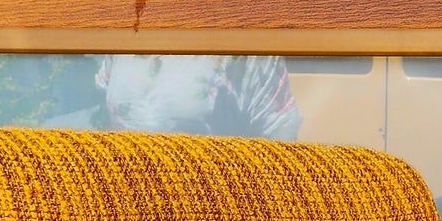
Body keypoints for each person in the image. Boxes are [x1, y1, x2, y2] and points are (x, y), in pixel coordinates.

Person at [95, 54, 301, 139]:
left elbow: (279, 141)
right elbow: (104, 111)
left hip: (204, 216)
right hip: (122, 204)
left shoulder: (249, 55)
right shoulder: (125, 25)